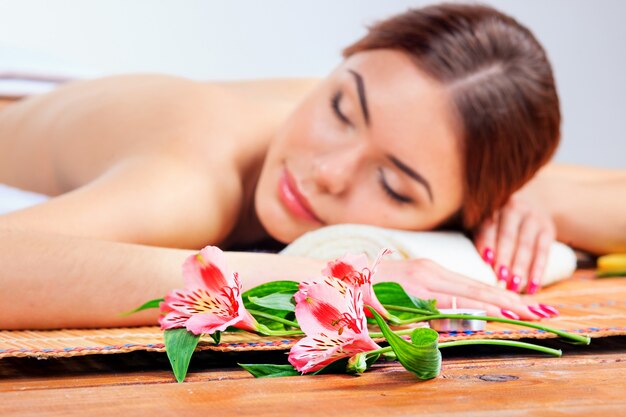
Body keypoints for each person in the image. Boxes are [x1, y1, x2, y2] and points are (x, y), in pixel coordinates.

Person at [0, 4, 624, 330]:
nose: (328, 171)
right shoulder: (189, 182)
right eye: (340, 107)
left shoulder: (416, 129)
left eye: (392, 184)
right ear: (340, 64)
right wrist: (319, 276)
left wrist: (533, 201)